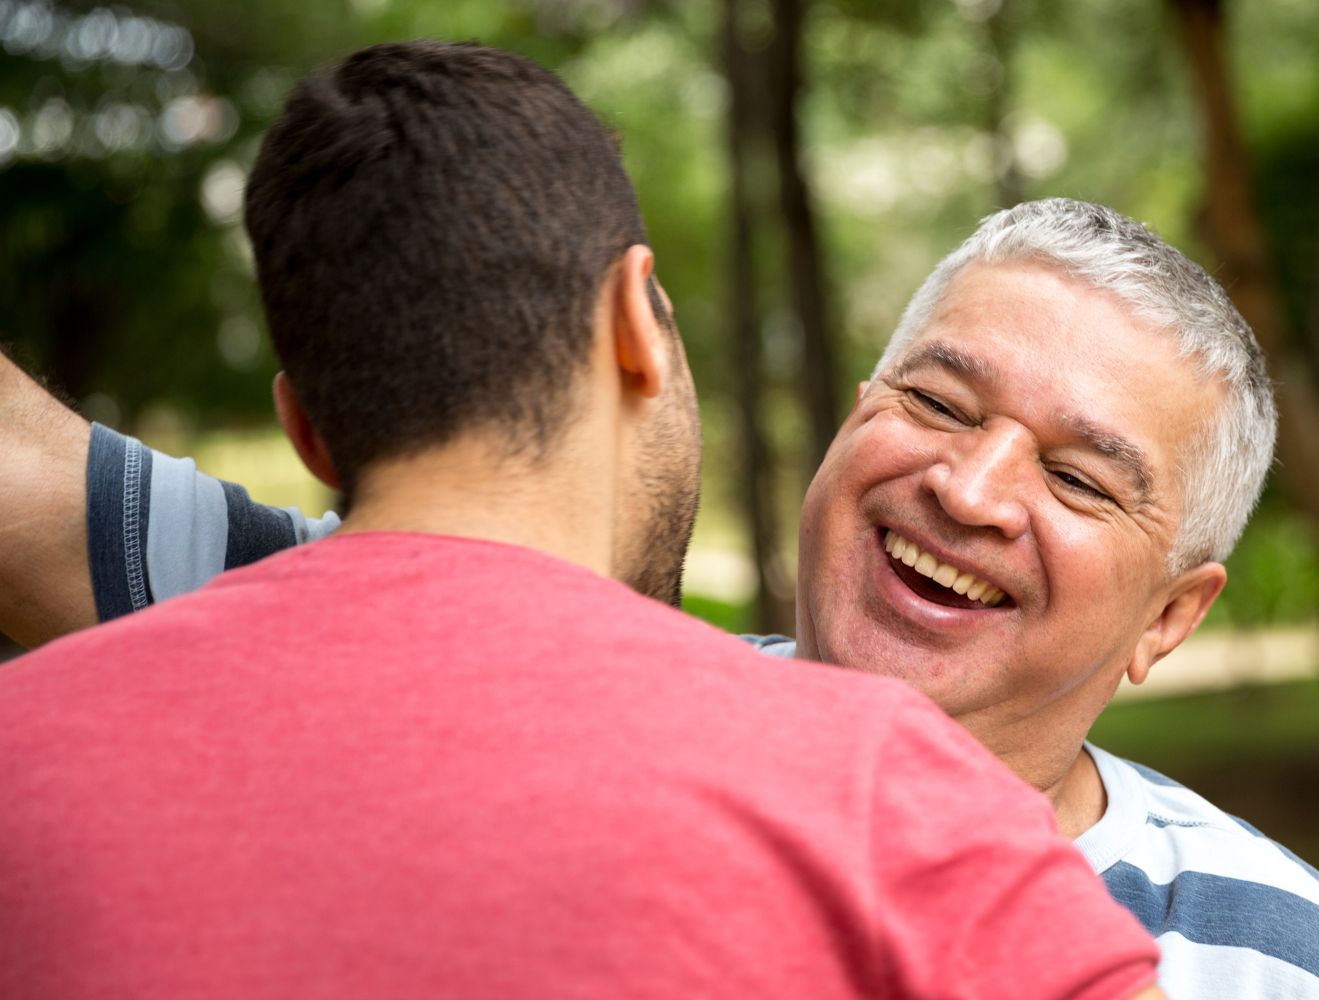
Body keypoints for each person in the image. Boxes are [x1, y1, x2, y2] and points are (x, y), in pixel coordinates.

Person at [0, 42, 1168, 1000]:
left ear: (305, 427)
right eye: (936, 402)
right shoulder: (894, 790)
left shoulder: (28, 745)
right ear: (634, 324)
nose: (970, 491)